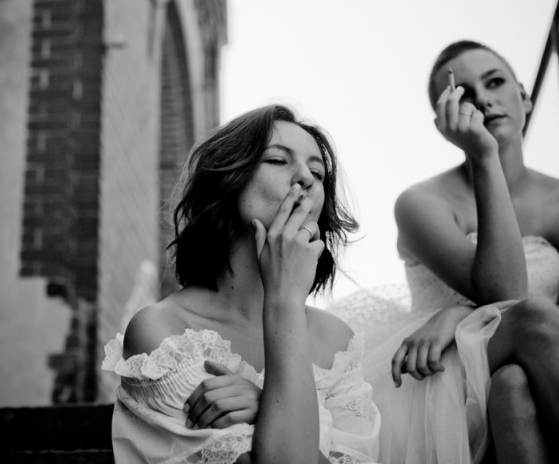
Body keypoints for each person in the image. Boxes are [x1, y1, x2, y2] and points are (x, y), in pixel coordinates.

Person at [330, 40, 559, 464]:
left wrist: (462, 314)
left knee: (513, 384)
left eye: (495, 82)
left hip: (557, 359)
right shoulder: (420, 203)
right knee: (534, 318)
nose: (482, 98)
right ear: (444, 120)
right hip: (445, 374)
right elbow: (508, 291)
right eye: (462, 93)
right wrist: (483, 156)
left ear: (523, 95)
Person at [102, 105, 381, 463]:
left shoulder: (337, 341)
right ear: (228, 180)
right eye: (278, 161)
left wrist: (264, 405)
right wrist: (283, 301)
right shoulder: (165, 332)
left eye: (317, 171)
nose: (306, 179)